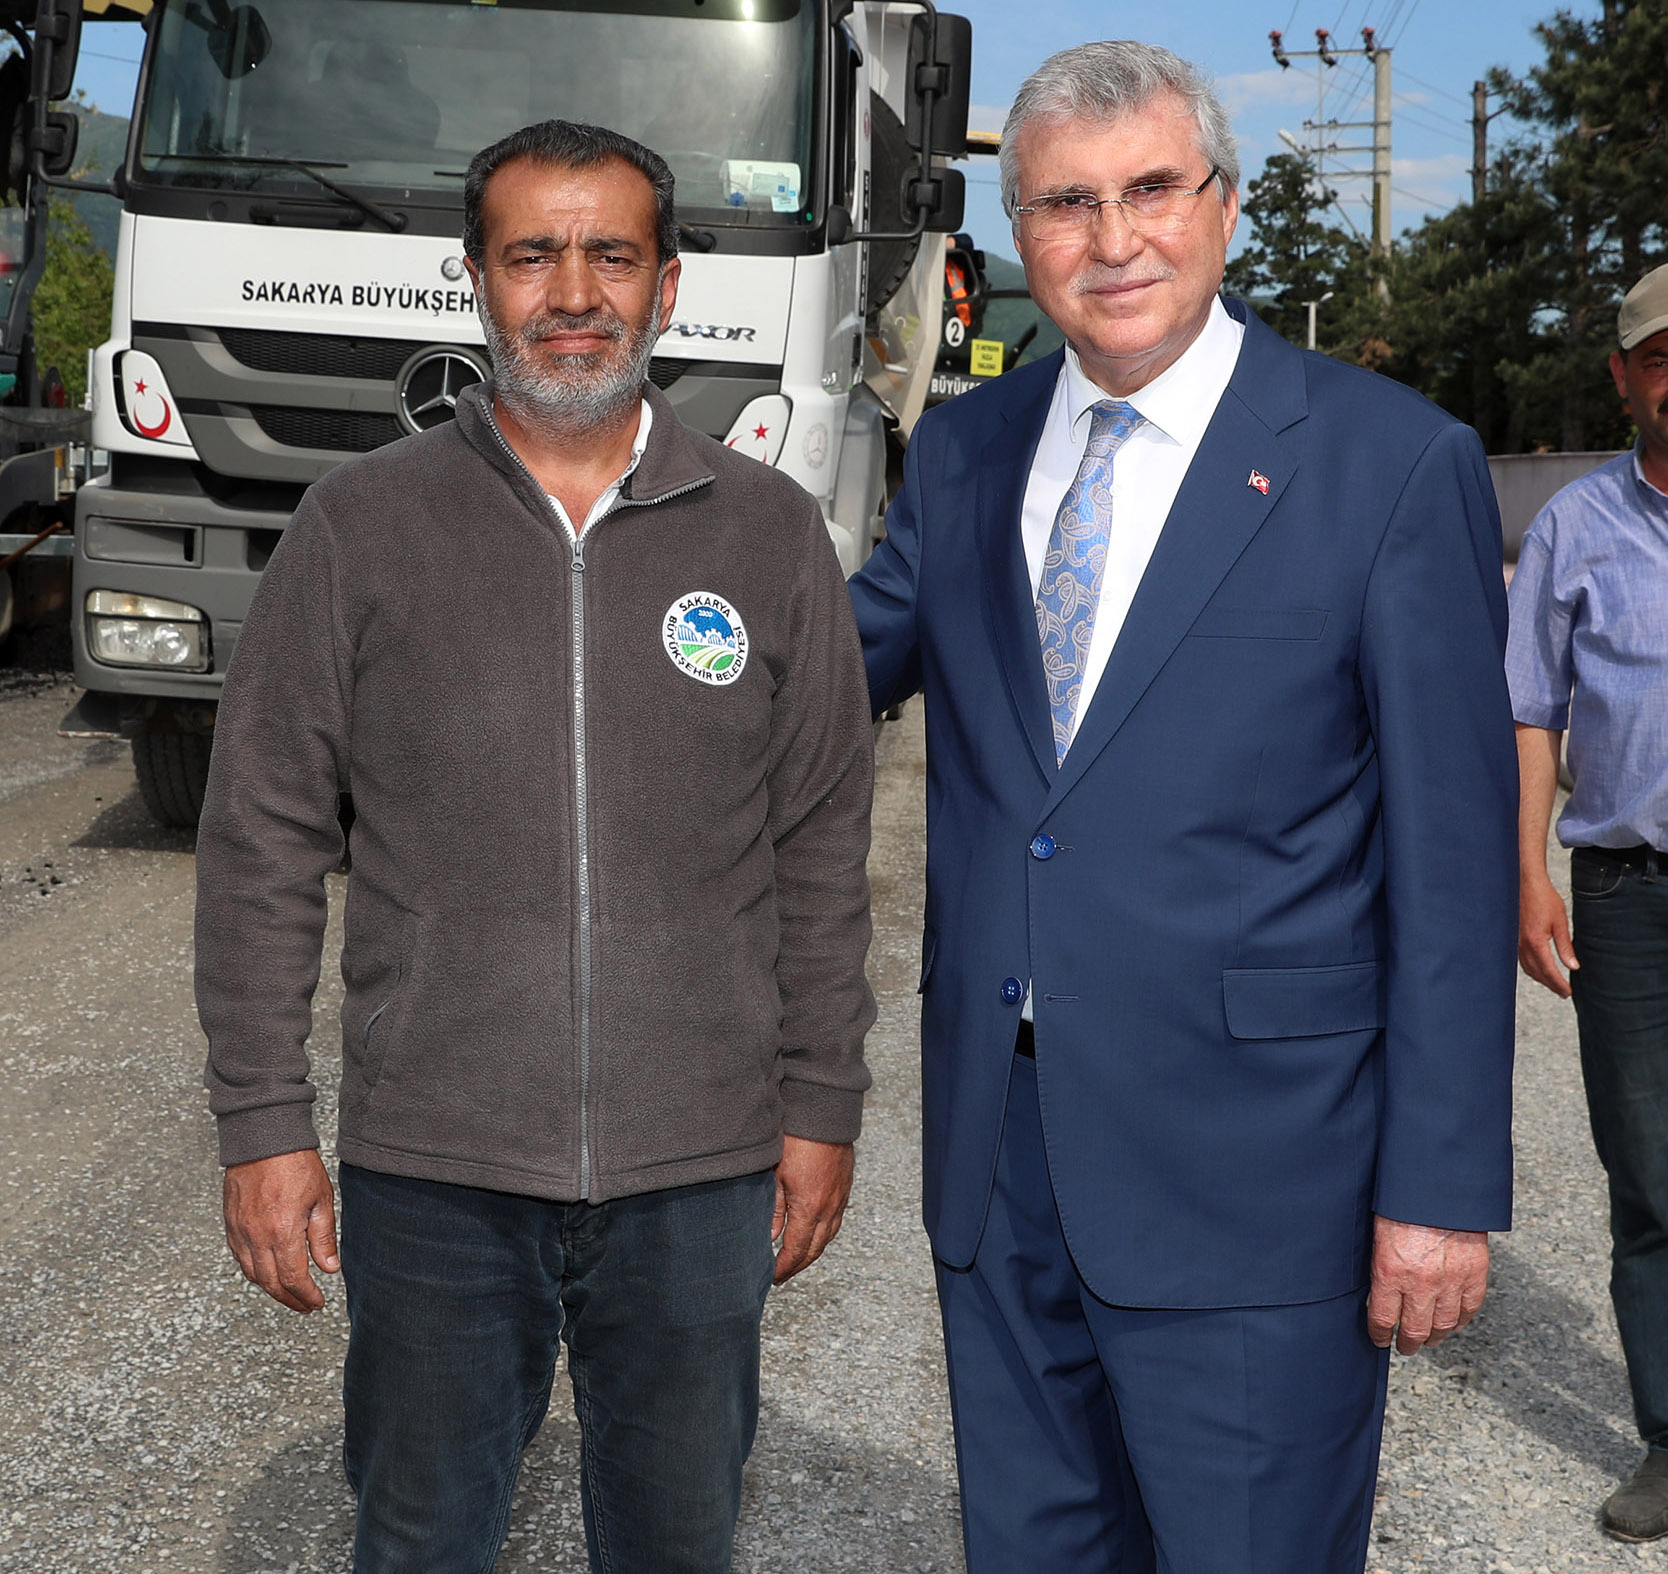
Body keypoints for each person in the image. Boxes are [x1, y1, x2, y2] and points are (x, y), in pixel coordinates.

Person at [848, 41, 1517, 1573]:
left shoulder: (1391, 461)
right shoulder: (963, 451)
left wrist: (1438, 1189)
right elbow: (810, 680)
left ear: (1222, 205)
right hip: (1003, 1171)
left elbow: (1458, 870)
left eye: (1153, 188)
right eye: (1068, 204)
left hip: (1264, 1190)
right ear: (1020, 234)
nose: (1115, 238)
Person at [195, 120, 875, 1574]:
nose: (574, 291)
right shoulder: (358, 527)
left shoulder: (767, 537)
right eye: (532, 255)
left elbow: (822, 843)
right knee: (422, 1541)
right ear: (477, 281)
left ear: (668, 282)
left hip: (699, 1170)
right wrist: (262, 1124)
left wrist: (821, 1101)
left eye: (611, 254)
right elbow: (260, 834)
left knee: (680, 1542)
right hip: (433, 1168)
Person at [1510, 262, 1668, 1545]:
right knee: (1652, 1168)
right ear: (1623, 375)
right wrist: (1527, 869)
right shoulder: (1574, 527)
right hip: (1631, 892)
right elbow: (1530, 711)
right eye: (1660, 355)